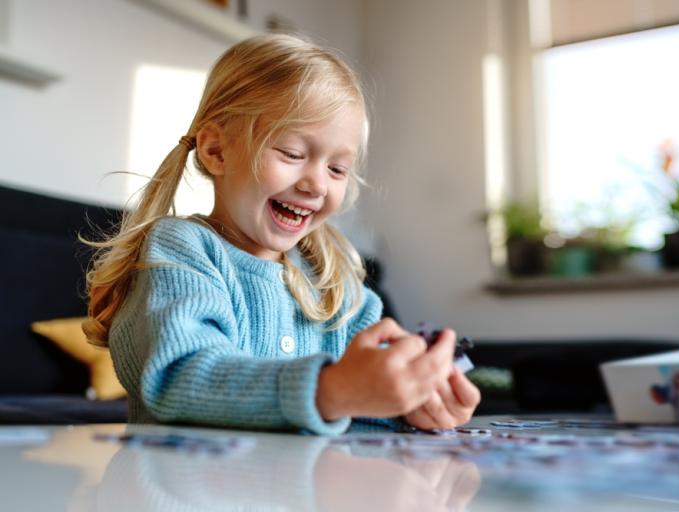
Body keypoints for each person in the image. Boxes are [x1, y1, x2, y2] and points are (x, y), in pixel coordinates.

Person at [83, 34, 480, 435]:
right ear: (216, 150)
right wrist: (332, 389)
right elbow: (181, 377)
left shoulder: (335, 282)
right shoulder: (182, 249)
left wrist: (412, 402)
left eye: (337, 169)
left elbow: (365, 404)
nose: (317, 185)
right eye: (292, 154)